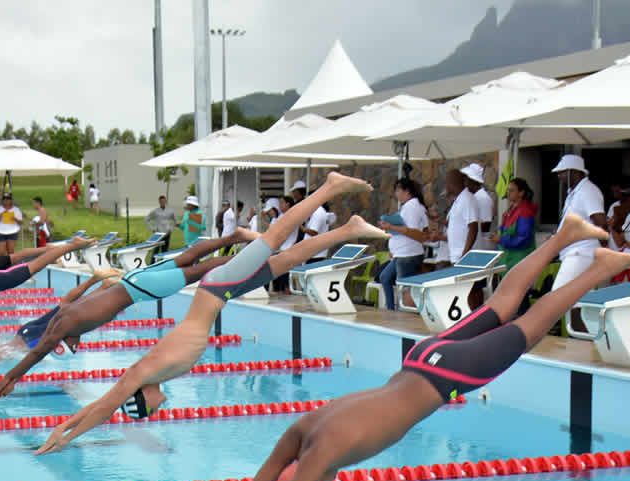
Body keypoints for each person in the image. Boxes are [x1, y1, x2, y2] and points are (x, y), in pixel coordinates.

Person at [185, 214, 630, 481]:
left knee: (528, 328)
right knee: (500, 307)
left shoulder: (324, 454)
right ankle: (563, 236)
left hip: (446, 377)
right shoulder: (305, 427)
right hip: (420, 358)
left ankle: (599, 269)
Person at [35, 171, 384, 454]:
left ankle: (329, 187)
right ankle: (348, 229)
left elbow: (102, 407)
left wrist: (65, 435)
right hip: (223, 293)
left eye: (151, 410)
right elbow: (102, 407)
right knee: (287, 261)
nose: (159, 410)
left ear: (143, 399)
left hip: (217, 287)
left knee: (273, 240)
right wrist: (66, 431)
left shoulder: (140, 374)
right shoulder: (155, 376)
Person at [0, 232, 254, 398]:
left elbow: (37, 353)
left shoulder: (63, 326)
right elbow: (86, 301)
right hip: (132, 278)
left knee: (198, 272)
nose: (74, 345)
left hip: (139, 289)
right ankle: (235, 237)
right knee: (187, 258)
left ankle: (253, 257)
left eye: (72, 345)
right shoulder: (67, 312)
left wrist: (10, 377)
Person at [551, 154, 607, 290]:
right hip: (573, 251)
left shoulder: (588, 191)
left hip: (582, 252)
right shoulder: (574, 192)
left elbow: (600, 221)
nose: (559, 176)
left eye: (562, 172)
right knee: (576, 298)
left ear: (573, 171)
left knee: (559, 294)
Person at [377, 178, 429, 311]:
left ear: (407, 191)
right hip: (402, 253)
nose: (396, 193)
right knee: (385, 277)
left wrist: (391, 226)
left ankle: (403, 314)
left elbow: (412, 231)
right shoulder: (410, 206)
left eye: (398, 190)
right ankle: (390, 309)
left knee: (403, 288)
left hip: (407, 254)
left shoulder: (412, 206)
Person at [495, 178, 539, 271]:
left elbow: (523, 239)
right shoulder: (510, 210)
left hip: (519, 261)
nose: (508, 192)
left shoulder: (525, 211)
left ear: (521, 193)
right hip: (507, 259)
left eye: (512, 190)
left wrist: (501, 239)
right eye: (508, 190)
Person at [439, 169, 478, 269]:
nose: (446, 185)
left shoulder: (467, 199)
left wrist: (465, 254)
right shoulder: (459, 200)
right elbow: (456, 225)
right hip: (456, 256)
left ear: (451, 183)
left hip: (463, 257)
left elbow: (473, 227)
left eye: (447, 182)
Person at [462, 164, 494, 250]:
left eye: (466, 179)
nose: (464, 182)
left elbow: (486, 224)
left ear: (473, 180)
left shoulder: (483, 198)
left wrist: (469, 227)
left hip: (479, 246)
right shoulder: (472, 197)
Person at [0, 192, 23, 257]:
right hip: (1, 232)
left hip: (12, 231)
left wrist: (14, 218)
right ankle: (1, 265)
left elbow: (20, 222)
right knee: (1, 252)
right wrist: (2, 214)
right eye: (4, 199)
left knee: (11, 252)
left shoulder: (16, 210)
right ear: (2, 200)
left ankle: (11, 266)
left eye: (8, 199)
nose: (6, 201)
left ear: (11, 200)